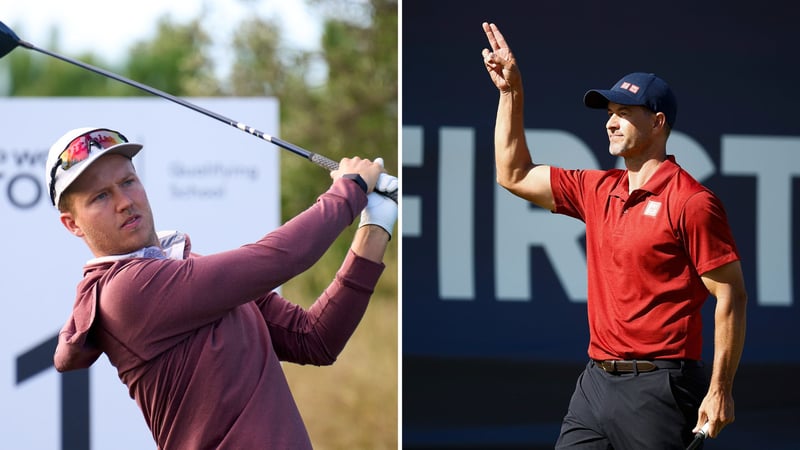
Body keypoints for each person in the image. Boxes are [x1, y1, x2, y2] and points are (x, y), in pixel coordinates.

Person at [481, 22, 747, 449]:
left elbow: (731, 295)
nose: (611, 123)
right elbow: (513, 174)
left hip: (662, 389)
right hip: (594, 384)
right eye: (609, 114)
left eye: (624, 113)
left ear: (658, 122)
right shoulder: (598, 189)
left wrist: (719, 389)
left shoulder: (692, 201)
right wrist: (510, 93)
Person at [47, 126, 398, 449]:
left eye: (127, 182)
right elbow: (278, 259)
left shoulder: (187, 271)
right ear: (71, 224)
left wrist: (375, 225)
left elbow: (315, 339)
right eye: (100, 197)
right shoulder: (124, 292)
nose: (124, 201)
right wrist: (347, 192)